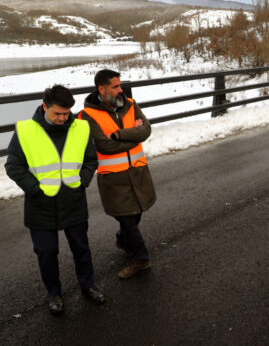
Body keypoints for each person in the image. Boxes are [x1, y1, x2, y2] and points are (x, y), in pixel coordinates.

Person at [5, 85, 104, 315]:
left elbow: (91, 160)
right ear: (44, 107)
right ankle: (54, 294)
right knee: (47, 253)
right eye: (57, 113)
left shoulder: (81, 128)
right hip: (41, 205)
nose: (62, 118)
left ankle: (88, 286)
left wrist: (82, 181)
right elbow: (13, 166)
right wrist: (35, 189)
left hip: (73, 200)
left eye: (66, 113)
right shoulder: (25, 130)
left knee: (82, 248)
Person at [79, 69, 156, 279]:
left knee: (135, 215)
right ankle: (141, 259)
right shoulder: (87, 115)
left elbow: (146, 130)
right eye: (115, 86)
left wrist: (120, 135)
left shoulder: (130, 104)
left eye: (120, 85)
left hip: (138, 173)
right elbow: (104, 146)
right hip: (114, 179)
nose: (120, 90)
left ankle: (123, 240)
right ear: (101, 89)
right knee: (127, 219)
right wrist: (134, 135)